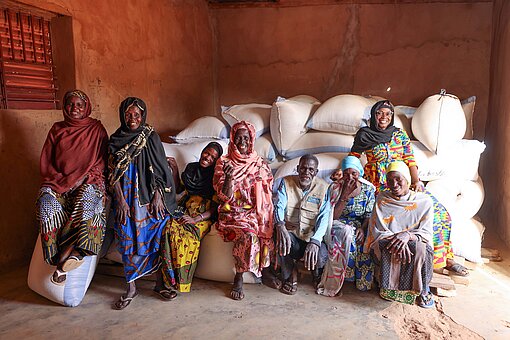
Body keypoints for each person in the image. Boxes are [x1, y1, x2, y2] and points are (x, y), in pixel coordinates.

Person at [349, 100, 468, 276]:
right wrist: (346, 173)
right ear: (373, 116)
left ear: (392, 117)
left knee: (441, 213)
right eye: (379, 113)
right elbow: (353, 158)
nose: (383, 117)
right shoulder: (364, 135)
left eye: (388, 114)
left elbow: (410, 160)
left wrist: (416, 181)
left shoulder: (400, 135)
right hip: (379, 186)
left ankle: (445, 259)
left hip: (404, 184)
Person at [108, 97, 177, 309]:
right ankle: (131, 288)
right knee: (127, 238)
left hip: (148, 198)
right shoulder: (115, 140)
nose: (132, 119)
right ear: (122, 115)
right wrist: (120, 201)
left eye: (136, 115)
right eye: (128, 115)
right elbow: (111, 174)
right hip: (126, 199)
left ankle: (158, 283)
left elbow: (160, 170)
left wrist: (158, 195)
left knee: (155, 235)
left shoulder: (151, 137)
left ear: (143, 116)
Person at [36, 90, 108, 285]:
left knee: (87, 199)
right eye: (70, 104)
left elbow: (101, 162)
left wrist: (81, 179)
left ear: (86, 108)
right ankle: (57, 257)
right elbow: (47, 163)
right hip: (58, 182)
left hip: (88, 181)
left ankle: (70, 256)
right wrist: (62, 181)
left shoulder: (96, 129)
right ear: (64, 107)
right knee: (46, 202)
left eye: (79, 105)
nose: (74, 108)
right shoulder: (56, 129)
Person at [213, 121, 274, 301]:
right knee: (248, 233)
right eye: (238, 137)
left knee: (270, 224)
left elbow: (267, 192)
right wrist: (229, 177)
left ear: (252, 140)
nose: (242, 141)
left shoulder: (260, 163)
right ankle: (239, 276)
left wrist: (263, 212)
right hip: (231, 212)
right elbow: (224, 197)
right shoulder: (223, 162)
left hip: (255, 212)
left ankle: (266, 271)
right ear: (232, 139)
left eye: (246, 137)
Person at [364, 161, 435, 308]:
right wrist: (397, 240)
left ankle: (423, 290)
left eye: (398, 179)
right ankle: (389, 288)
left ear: (407, 180)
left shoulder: (424, 202)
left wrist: (407, 236)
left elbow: (426, 233)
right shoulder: (382, 199)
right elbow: (378, 230)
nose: (394, 184)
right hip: (387, 239)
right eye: (390, 181)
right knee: (386, 246)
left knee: (421, 249)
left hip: (413, 238)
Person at [161, 142, 223, 293]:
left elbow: (215, 208)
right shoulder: (191, 168)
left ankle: (182, 283)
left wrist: (196, 219)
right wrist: (175, 169)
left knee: (187, 237)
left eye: (213, 157)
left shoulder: (216, 176)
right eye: (207, 153)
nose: (208, 158)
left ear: (216, 161)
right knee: (169, 229)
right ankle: (170, 280)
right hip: (186, 208)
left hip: (203, 215)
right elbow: (180, 189)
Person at [316, 156, 375, 297]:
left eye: (353, 173)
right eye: (346, 173)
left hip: (360, 225)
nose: (350, 177)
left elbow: (369, 214)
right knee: (347, 234)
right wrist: (345, 194)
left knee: (365, 242)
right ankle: (342, 280)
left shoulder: (368, 189)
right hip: (338, 224)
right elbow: (333, 216)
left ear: (359, 172)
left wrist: (363, 228)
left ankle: (362, 280)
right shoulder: (335, 188)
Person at [274, 154, 331, 295]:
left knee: (320, 257)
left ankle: (316, 273)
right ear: (298, 169)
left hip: (311, 236)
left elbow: (324, 217)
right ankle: (290, 274)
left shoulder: (324, 187)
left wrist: (316, 241)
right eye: (303, 168)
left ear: (316, 172)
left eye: (311, 170)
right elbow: (279, 206)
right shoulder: (286, 182)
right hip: (292, 235)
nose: (306, 173)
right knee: (280, 238)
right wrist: (280, 225)